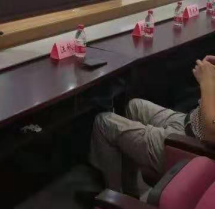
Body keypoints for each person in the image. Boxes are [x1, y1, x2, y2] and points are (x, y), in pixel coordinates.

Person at [90, 55, 215, 198]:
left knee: (103, 122)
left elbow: (211, 131)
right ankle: (130, 191)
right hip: (191, 122)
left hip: (192, 145)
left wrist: (207, 82)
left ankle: (113, 199)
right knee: (134, 106)